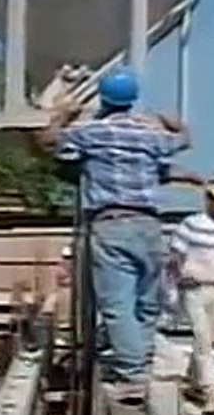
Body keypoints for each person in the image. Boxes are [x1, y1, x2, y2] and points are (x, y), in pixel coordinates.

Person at [38, 67, 191, 397]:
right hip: (151, 225)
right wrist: (176, 124)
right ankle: (142, 361)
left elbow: (48, 142)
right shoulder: (150, 135)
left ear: (104, 99)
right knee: (146, 301)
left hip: (111, 223)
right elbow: (183, 141)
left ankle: (132, 376)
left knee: (117, 303)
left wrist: (62, 116)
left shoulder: (93, 133)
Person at [168, 177, 214, 415]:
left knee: (206, 341)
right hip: (194, 287)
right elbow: (175, 254)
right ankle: (210, 391)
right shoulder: (191, 224)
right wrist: (179, 278)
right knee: (202, 340)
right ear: (208, 200)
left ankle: (193, 381)